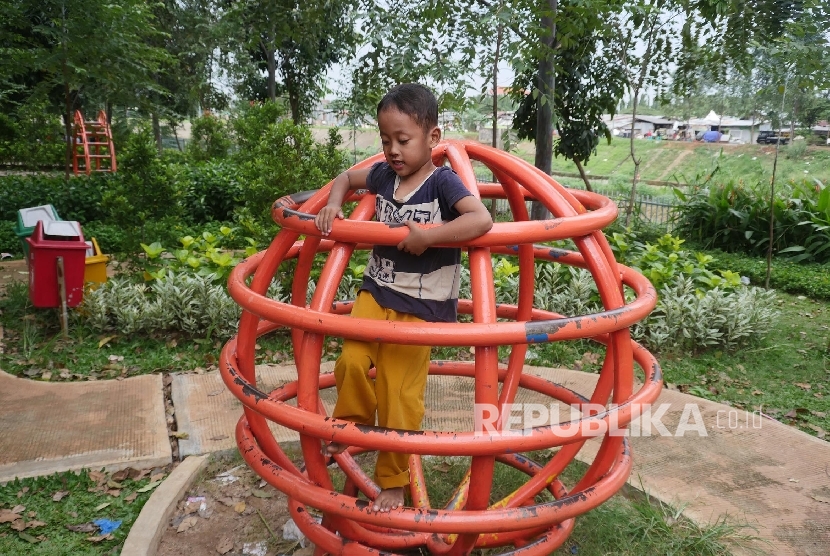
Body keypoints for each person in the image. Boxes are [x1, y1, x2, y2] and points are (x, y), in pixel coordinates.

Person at [314, 83, 493, 513]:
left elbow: (481, 219)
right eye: (385, 139)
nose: (392, 149)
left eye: (403, 140)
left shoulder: (442, 183)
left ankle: (394, 481)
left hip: (421, 307)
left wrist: (430, 237)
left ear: (432, 139)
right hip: (376, 291)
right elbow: (346, 177)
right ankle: (352, 429)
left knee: (399, 394)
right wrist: (335, 203)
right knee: (350, 362)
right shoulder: (382, 175)